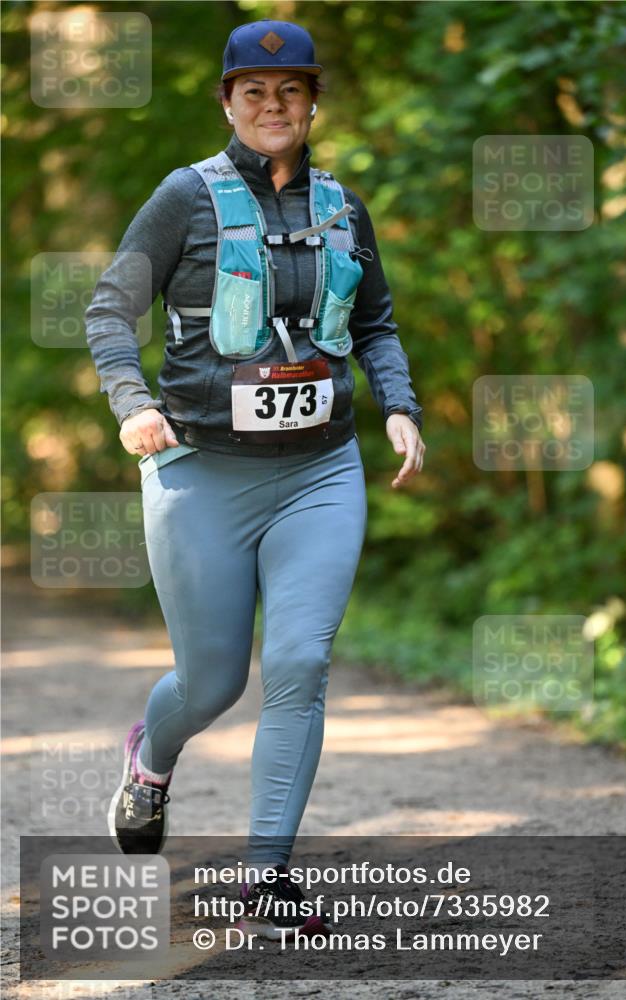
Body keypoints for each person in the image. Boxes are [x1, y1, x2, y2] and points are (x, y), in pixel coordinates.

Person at [86, 19, 425, 939]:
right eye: (254, 92)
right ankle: (150, 763)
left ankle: (265, 874)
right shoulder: (182, 198)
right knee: (210, 683)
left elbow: (378, 322)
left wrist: (397, 404)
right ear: (228, 101)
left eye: (291, 91)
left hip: (320, 471)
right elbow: (110, 309)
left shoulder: (343, 205)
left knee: (301, 663)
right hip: (199, 469)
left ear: (313, 101)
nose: (274, 107)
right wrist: (131, 404)